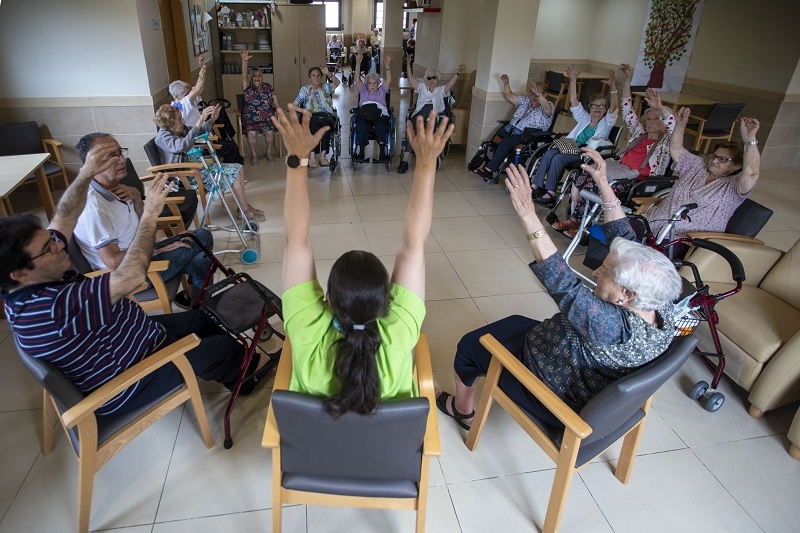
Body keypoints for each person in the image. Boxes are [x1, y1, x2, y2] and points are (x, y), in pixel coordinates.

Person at [0, 148, 269, 419]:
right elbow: (130, 276)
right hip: (128, 381)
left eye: (53, 239)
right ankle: (244, 376)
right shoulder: (50, 308)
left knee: (202, 319)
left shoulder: (32, 278)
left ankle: (235, 366)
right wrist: (150, 213)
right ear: (20, 273)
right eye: (49, 247)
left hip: (135, 337)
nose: (60, 245)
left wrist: (85, 173)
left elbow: (66, 216)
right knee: (220, 349)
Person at [436, 149, 682, 430]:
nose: (597, 271)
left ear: (628, 295)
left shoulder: (610, 327)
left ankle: (462, 410)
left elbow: (563, 282)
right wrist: (603, 182)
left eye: (605, 272)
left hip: (550, 391)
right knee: (514, 323)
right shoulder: (663, 302)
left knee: (470, 345)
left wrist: (529, 214)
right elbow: (626, 238)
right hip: (565, 355)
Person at [272, 103, 454, 417]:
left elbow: (296, 240)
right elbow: (414, 246)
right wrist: (426, 163)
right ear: (387, 302)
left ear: (327, 300)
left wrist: (298, 160)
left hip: (317, 455)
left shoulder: (306, 327)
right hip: (385, 461)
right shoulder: (398, 331)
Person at [72, 132, 213, 307]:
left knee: (200, 254)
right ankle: (202, 309)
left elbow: (141, 227)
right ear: (90, 164)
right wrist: (157, 251)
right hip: (130, 274)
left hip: (140, 253)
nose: (121, 160)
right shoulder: (93, 209)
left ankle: (197, 305)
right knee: (202, 241)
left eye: (120, 152)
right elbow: (114, 262)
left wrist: (138, 199)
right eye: (110, 157)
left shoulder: (117, 189)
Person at [553, 64, 676, 235]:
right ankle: (575, 219)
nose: (650, 121)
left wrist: (660, 106)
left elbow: (673, 125)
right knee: (581, 178)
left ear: (664, 122)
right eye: (647, 118)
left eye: (656, 118)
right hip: (618, 170)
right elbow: (627, 111)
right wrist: (626, 82)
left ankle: (582, 227)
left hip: (637, 180)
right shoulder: (640, 132)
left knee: (594, 188)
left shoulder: (667, 141)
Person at [647, 109, 761, 238]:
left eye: (723, 159)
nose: (715, 161)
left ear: (737, 165)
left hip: (685, 240)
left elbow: (751, 173)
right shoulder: (698, 165)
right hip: (653, 226)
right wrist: (681, 124)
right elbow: (676, 149)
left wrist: (750, 139)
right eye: (714, 156)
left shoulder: (733, 187)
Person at [154, 104, 265, 222]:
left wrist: (211, 120)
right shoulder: (163, 137)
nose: (183, 120)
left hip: (197, 168)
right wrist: (200, 119)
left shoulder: (176, 129)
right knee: (235, 172)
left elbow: (199, 131)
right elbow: (182, 146)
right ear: (171, 122)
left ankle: (243, 208)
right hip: (187, 176)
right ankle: (244, 211)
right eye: (179, 119)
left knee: (238, 167)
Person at [531, 66, 618, 205]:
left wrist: (613, 87)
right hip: (569, 147)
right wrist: (572, 81)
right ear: (590, 107)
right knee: (549, 154)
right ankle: (536, 186)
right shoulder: (585, 118)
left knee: (558, 159)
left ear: (606, 108)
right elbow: (574, 102)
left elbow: (614, 107)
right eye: (594, 105)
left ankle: (551, 192)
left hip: (585, 153)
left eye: (601, 106)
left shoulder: (606, 122)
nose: (597, 108)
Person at [472, 74, 555, 181]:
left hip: (528, 135)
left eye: (537, 93)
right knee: (494, 140)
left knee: (505, 142)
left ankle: (489, 169)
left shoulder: (548, 107)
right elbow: (510, 96)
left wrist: (538, 94)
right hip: (510, 129)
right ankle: (495, 164)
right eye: (532, 93)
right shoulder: (526, 101)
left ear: (545, 94)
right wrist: (506, 84)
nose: (534, 96)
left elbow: (546, 107)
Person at [168, 55, 244, 165]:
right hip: (197, 144)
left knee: (228, 140)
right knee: (231, 147)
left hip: (204, 134)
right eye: (186, 94)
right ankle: (234, 171)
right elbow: (196, 90)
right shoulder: (180, 106)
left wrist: (202, 71)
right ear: (176, 96)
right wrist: (201, 75)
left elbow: (198, 89)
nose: (190, 95)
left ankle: (234, 169)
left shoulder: (187, 100)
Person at [397, 60, 466, 173]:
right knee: (413, 131)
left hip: (434, 116)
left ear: (437, 78)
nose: (432, 80)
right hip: (419, 114)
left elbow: (451, 84)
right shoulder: (422, 87)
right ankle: (404, 160)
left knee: (431, 130)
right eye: (429, 78)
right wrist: (408, 64)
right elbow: (411, 79)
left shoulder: (441, 90)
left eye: (434, 77)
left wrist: (458, 72)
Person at [293, 65, 340, 168]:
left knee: (326, 128)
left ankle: (323, 157)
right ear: (310, 77)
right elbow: (293, 106)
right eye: (313, 76)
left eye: (319, 75)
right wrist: (303, 110)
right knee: (312, 128)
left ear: (321, 77)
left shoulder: (326, 87)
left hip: (326, 116)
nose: (316, 78)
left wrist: (328, 73)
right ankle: (312, 157)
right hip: (312, 117)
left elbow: (337, 83)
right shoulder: (305, 90)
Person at [240, 50, 280, 165]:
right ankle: (254, 155)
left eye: (259, 76)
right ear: (251, 78)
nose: (257, 78)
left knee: (270, 132)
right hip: (251, 118)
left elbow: (276, 101)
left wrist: (278, 108)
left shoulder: (268, 87)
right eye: (254, 76)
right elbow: (243, 76)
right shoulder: (248, 87)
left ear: (262, 77)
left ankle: (268, 153)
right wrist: (244, 62)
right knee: (251, 133)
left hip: (267, 118)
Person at [353, 52, 393, 163]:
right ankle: (361, 153)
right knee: (361, 126)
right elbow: (357, 78)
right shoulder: (363, 89)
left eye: (374, 83)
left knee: (381, 126)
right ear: (366, 84)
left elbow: (388, 80)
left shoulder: (382, 90)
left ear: (378, 84)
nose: (372, 85)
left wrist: (387, 66)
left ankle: (382, 154)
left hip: (380, 115)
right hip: (365, 114)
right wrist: (357, 63)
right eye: (370, 83)